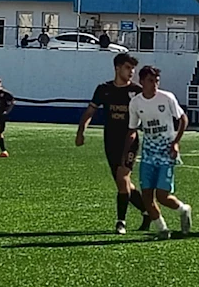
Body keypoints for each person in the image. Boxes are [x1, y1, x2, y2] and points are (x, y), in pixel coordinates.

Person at [76, 53, 150, 235]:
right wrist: (81, 131)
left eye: (133, 68)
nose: (131, 72)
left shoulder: (137, 91)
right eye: (127, 68)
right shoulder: (104, 89)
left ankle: (121, 222)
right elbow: (90, 111)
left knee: (123, 178)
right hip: (110, 141)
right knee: (124, 185)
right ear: (117, 68)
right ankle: (147, 211)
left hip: (130, 141)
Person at [124, 66, 192, 240]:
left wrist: (175, 142)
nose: (154, 84)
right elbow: (132, 129)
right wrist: (126, 151)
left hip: (166, 152)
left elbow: (183, 119)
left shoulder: (167, 98)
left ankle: (183, 209)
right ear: (142, 82)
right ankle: (162, 229)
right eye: (150, 81)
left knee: (162, 196)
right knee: (146, 195)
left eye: (156, 81)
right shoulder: (136, 103)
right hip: (148, 153)